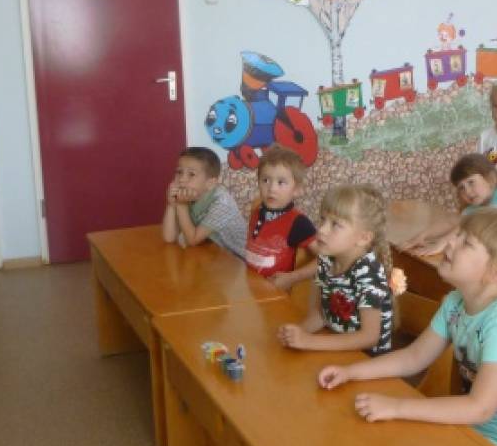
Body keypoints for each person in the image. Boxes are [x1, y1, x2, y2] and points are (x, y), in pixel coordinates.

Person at [319, 207, 497, 446]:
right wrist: (350, 372)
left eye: (466, 243)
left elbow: (480, 408)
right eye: (458, 235)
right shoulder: (456, 302)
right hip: (474, 428)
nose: (451, 242)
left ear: (495, 272)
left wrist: (397, 407)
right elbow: (414, 357)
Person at [275, 184, 394, 354]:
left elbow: (369, 337)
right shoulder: (326, 260)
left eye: (336, 224)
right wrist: (297, 333)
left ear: (363, 238)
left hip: (367, 361)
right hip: (336, 350)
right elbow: (321, 315)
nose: (321, 229)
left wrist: (309, 341)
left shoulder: (369, 274)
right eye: (323, 219)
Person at [405, 153, 497, 254]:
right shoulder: (481, 203)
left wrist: (444, 242)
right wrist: (423, 235)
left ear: (490, 178)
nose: (467, 191)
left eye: (471, 182)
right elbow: (455, 221)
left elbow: (473, 225)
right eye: (461, 188)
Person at [243, 146, 317, 291]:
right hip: (251, 288)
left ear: (297, 190)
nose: (272, 189)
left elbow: (326, 259)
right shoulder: (256, 211)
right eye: (265, 180)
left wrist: (292, 277)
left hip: (276, 295)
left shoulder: (299, 223)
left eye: (281, 182)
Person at [161, 146, 246, 256]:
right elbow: (169, 238)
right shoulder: (189, 195)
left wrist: (182, 205)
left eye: (191, 174)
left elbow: (192, 240)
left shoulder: (222, 203)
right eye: (179, 172)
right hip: (212, 253)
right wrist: (171, 205)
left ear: (210, 183)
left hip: (238, 260)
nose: (182, 179)